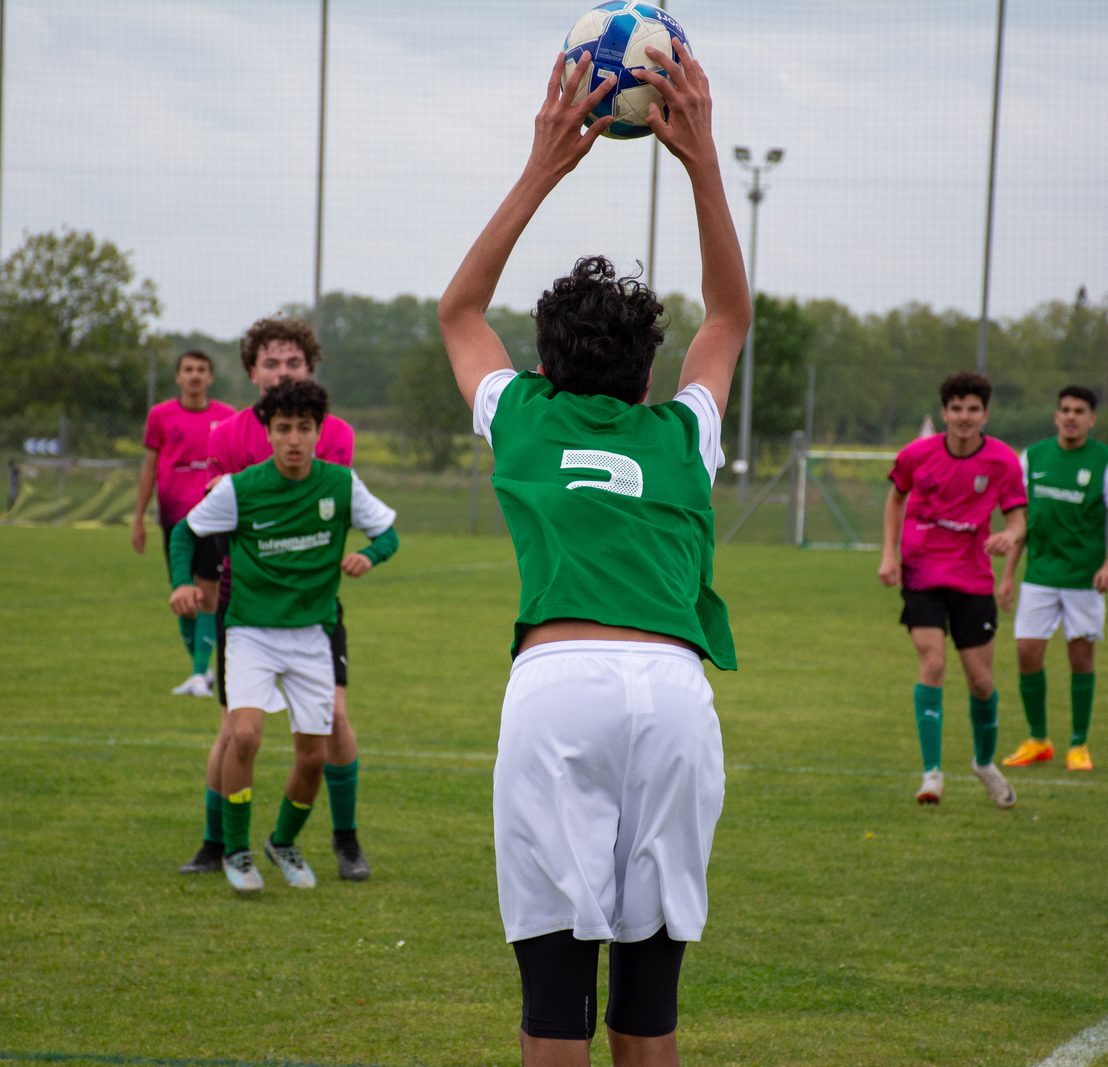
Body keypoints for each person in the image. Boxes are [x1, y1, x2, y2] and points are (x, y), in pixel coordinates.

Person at [438, 40, 745, 1067]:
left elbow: (458, 311)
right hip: (672, 691)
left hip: (558, 684)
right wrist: (701, 160)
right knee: (648, 997)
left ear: (545, 363)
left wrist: (543, 165)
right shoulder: (681, 432)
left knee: (555, 992)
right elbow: (730, 314)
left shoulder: (523, 417)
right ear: (649, 370)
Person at [168, 379, 398, 893]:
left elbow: (388, 533)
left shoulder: (340, 484)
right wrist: (182, 582)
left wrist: (369, 555)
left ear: (319, 432)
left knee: (313, 757)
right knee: (245, 734)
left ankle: (282, 842)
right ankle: (236, 850)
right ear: (268, 432)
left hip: (312, 635)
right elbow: (185, 531)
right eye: (284, 428)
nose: (294, 439)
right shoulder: (240, 489)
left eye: (304, 428)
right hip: (250, 633)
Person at [878, 371, 1027, 809]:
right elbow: (895, 498)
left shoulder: (1002, 461)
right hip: (922, 572)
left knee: (981, 681)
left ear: (985, 415)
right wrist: (889, 554)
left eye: (973, 409)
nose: (964, 416)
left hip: (973, 577)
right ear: (944, 413)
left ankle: (984, 763)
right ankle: (932, 774)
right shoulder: (916, 455)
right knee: (933, 663)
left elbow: (1018, 519)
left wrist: (1009, 536)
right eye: (957, 408)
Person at [998, 385, 1108, 772]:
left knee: (1081, 657)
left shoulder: (1107, 460)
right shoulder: (1034, 456)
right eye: (1066, 410)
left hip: (1083, 578)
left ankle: (1079, 744)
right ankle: (1038, 739)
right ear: (1056, 416)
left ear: (1092, 419)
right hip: (1039, 575)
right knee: (1026, 652)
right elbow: (1020, 519)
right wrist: (1008, 575)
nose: (1071, 417)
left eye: (1079, 411)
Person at [132, 351, 236, 697]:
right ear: (177, 377)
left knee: (207, 591)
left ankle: (198, 673)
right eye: (188, 369)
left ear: (210, 377)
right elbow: (149, 467)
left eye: (201, 370)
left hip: (213, 517)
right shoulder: (160, 415)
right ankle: (202, 670)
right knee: (181, 591)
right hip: (174, 519)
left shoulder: (227, 417)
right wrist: (139, 518)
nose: (194, 375)